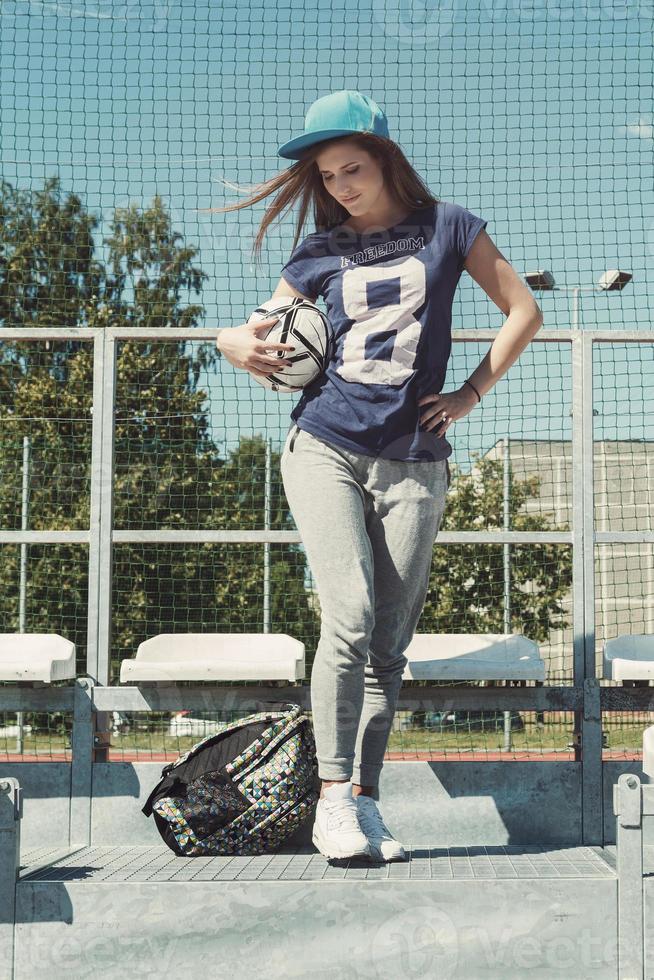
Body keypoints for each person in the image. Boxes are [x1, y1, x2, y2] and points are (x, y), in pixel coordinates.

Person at [212, 90, 543, 862]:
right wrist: (229, 340)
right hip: (323, 443)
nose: (340, 186)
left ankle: (364, 803)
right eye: (327, 176)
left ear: (386, 159)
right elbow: (255, 329)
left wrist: (468, 394)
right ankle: (330, 800)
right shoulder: (316, 255)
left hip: (415, 461)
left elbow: (521, 310)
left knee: (388, 643)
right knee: (352, 614)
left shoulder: (451, 226)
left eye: (351, 169)